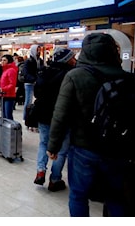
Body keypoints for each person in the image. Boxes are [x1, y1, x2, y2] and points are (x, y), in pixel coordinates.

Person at [47, 33, 128, 216]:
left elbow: (60, 115)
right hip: (117, 148)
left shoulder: (75, 76)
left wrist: (54, 145)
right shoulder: (127, 78)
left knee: (78, 195)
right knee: (116, 196)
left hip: (84, 146)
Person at [33, 47, 76, 192]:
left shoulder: (44, 71)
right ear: (67, 59)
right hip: (63, 116)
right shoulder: (70, 74)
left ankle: (40, 171)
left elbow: (37, 91)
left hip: (43, 114)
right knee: (62, 149)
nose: (74, 59)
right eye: (72, 57)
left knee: (44, 143)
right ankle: (55, 179)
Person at [22, 44, 44, 129]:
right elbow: (26, 73)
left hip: (37, 83)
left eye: (39, 50)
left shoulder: (40, 60)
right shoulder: (29, 61)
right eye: (37, 50)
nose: (39, 52)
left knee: (36, 101)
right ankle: (26, 118)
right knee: (28, 101)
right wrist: (33, 79)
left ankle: (33, 118)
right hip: (29, 83)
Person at [0, 54, 18, 120]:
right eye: (2, 60)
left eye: (4, 60)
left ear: (8, 61)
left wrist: (3, 89)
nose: (2, 62)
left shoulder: (11, 70)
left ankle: (10, 129)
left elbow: (12, 84)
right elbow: (4, 82)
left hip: (9, 95)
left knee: (7, 115)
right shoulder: (5, 70)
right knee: (4, 115)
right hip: (4, 95)